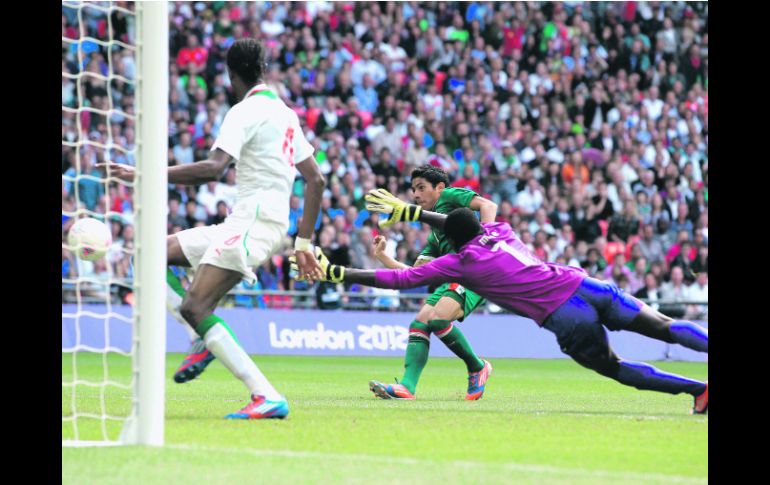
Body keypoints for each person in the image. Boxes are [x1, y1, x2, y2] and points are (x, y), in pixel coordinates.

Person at [296, 196, 708, 414]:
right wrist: (416, 213)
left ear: (453, 241)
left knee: (614, 367)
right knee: (665, 325)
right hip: (586, 285)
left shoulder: (461, 261)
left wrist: (339, 272)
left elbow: (402, 280)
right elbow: (461, 223)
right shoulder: (501, 230)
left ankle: (700, 391)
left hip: (566, 315)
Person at [99, 38, 326, 419]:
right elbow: (316, 180)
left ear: (230, 76)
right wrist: (302, 242)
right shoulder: (286, 113)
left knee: (195, 306)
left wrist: (145, 173)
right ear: (263, 70)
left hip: (253, 222)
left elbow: (213, 168)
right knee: (148, 254)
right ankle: (200, 337)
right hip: (251, 221)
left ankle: (265, 394)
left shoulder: (244, 110)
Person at [367, 166, 497, 400]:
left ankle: (477, 367)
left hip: (477, 272)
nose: (416, 195)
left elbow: (489, 206)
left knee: (438, 318)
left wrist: (484, 244)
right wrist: (383, 257)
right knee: (420, 322)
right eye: (413, 190)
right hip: (457, 278)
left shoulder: (449, 196)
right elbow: (415, 274)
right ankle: (407, 386)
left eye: (421, 188)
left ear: (439, 188)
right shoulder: (435, 237)